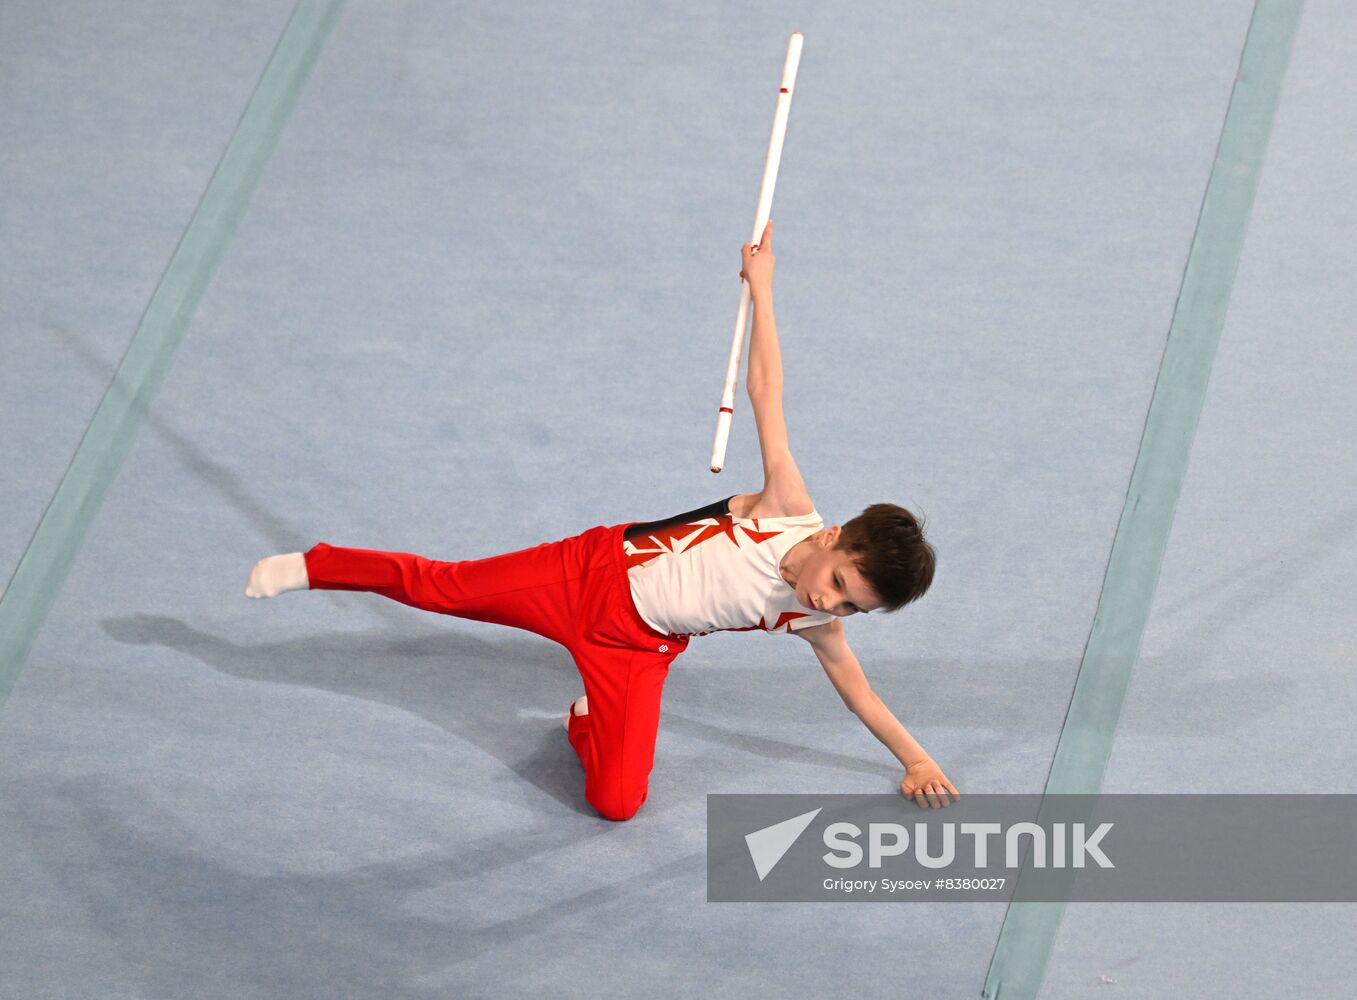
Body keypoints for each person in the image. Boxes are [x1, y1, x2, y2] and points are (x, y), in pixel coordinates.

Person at [244, 219, 958, 820]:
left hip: (635, 651)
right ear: (832, 539)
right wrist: (762, 289)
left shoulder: (813, 623)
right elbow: (767, 389)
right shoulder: (784, 507)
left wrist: (917, 759)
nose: (824, 601)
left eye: (846, 606)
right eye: (835, 582)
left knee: (617, 803)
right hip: (585, 576)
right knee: (442, 587)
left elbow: (858, 691)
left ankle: (585, 717)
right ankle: (318, 564)